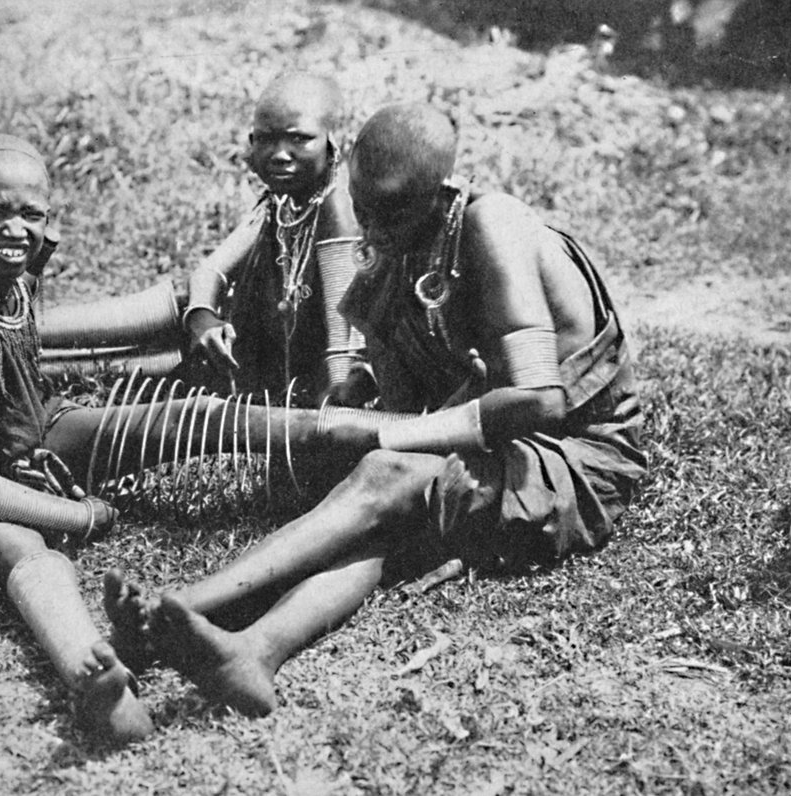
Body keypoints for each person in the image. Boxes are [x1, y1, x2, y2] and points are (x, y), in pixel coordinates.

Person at [105, 103, 647, 717]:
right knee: (379, 515)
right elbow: (413, 362)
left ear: (440, 191)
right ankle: (253, 651)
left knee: (384, 478)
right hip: (490, 444)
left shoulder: (492, 223)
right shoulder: (409, 229)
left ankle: (179, 609)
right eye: (364, 210)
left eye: (390, 212)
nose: (375, 229)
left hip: (570, 459)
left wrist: (403, 435)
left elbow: (539, 398)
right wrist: (363, 390)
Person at [0, 135, 343, 743]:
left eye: (32, 215)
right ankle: (90, 671)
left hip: (22, 439)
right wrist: (80, 514)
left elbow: (16, 393)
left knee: (183, 419)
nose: (16, 230)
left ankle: (392, 430)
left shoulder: (14, 277)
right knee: (17, 543)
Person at [177, 72, 373, 406]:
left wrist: (322, 419)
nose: (280, 154)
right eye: (266, 139)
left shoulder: (337, 209)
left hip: (315, 398)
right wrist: (202, 318)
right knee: (170, 309)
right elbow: (210, 271)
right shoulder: (282, 202)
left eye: (299, 139)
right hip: (263, 368)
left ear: (333, 142)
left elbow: (342, 353)